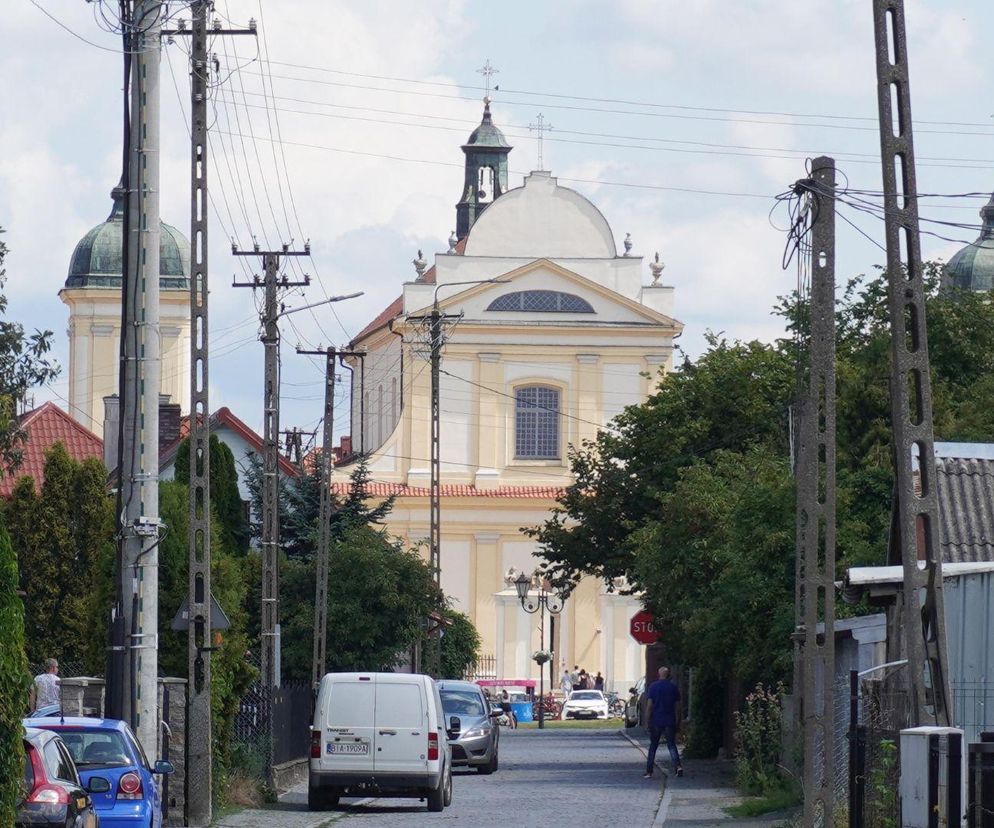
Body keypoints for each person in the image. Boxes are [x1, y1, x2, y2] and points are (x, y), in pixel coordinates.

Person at [644, 666, 683, 778]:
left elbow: (649, 706)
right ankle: (678, 767)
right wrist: (678, 721)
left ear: (658, 674)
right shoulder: (673, 687)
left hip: (657, 720)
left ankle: (649, 771)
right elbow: (678, 707)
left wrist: (647, 721)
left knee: (653, 746)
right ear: (668, 674)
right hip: (670, 720)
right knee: (671, 745)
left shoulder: (653, 687)